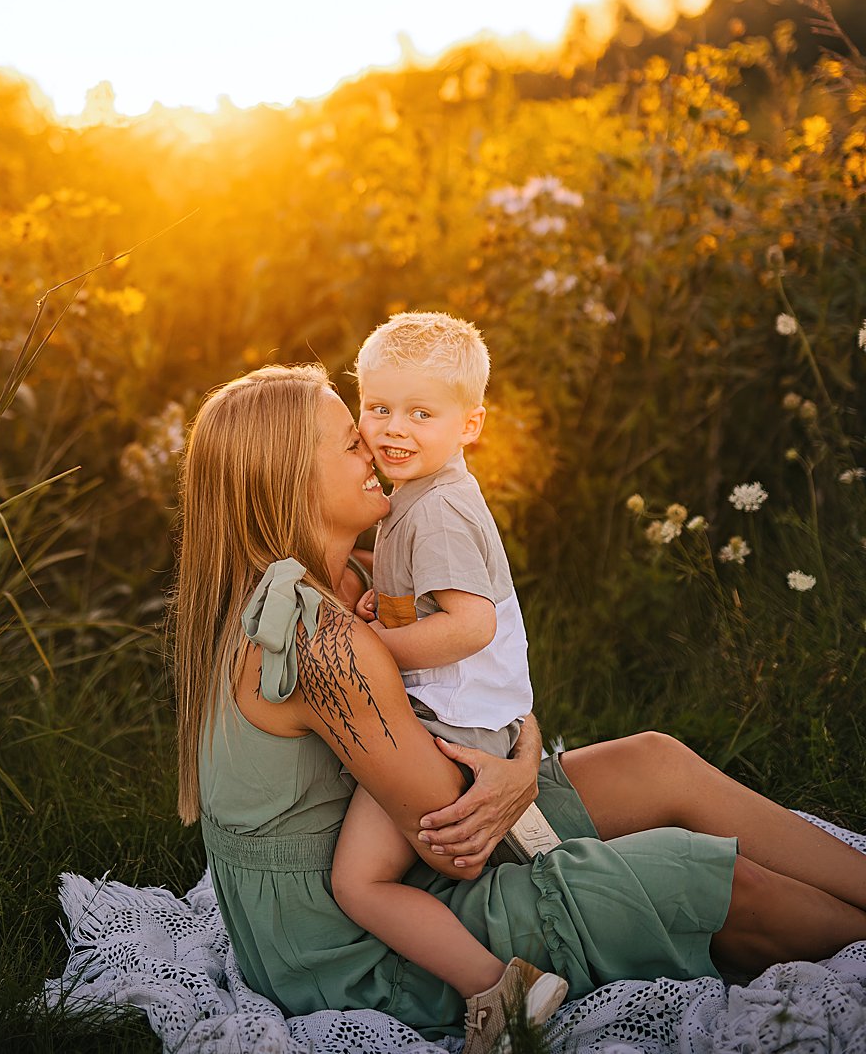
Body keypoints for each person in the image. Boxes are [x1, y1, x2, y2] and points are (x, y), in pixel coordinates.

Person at [171, 362, 866, 1045]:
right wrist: (524, 764)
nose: (375, 447)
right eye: (352, 442)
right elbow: (455, 845)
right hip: (356, 947)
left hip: (398, 848)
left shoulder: (351, 578)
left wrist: (522, 749)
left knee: (657, 762)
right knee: (707, 876)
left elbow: (470, 687)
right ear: (289, 477)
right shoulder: (317, 639)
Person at [330, 313, 565, 1045]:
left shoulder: (435, 511)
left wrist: (372, 640)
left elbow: (469, 627)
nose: (394, 429)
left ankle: (503, 987)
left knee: (358, 880)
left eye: (421, 413)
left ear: (471, 424)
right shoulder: (416, 493)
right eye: (379, 408)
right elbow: (430, 602)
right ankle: (526, 845)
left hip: (457, 721)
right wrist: (386, 603)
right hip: (465, 708)